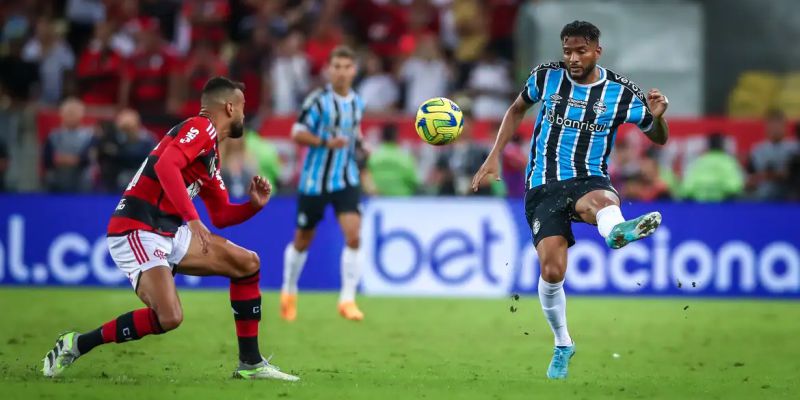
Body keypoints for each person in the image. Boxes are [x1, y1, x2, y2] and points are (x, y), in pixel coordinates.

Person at [41, 77, 299, 382]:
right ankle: (76, 343)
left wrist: (253, 206)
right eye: (242, 107)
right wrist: (192, 219)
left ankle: (251, 364)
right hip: (138, 227)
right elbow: (166, 167)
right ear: (230, 107)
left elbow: (221, 214)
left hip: (170, 231)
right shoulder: (201, 128)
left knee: (247, 263)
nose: (244, 114)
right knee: (170, 317)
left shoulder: (211, 155)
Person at [471, 21, 669, 380]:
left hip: (589, 177)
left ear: (597, 51)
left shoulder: (621, 92)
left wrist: (657, 119)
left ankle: (615, 231)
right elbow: (516, 108)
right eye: (567, 51)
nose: (573, 58)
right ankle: (563, 343)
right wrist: (493, 155)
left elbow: (658, 138)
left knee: (600, 201)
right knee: (552, 271)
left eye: (580, 51)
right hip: (543, 184)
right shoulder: (546, 77)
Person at [280, 46, 366, 322]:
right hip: (314, 181)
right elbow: (297, 133)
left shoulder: (357, 103)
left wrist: (363, 145)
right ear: (329, 70)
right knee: (303, 240)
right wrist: (325, 143)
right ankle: (289, 290)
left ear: (354, 70)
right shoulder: (317, 101)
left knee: (354, 235)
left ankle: (347, 299)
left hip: (345, 178)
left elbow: (354, 132)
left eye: (346, 66)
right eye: (336, 66)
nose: (341, 72)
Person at [42, 98, 96, 192]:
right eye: (69, 113)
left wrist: (63, 160)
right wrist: (71, 160)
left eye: (74, 113)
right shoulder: (53, 136)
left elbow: (87, 159)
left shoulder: (89, 136)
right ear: (61, 114)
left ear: (81, 114)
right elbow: (47, 160)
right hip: (56, 184)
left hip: (81, 185)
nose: (71, 116)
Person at [747, 110, 799, 201]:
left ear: (785, 127)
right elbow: (751, 175)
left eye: (778, 126)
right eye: (772, 126)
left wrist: (772, 175)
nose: (775, 129)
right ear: (766, 127)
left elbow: (790, 174)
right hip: (764, 194)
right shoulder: (758, 150)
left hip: (790, 193)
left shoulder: (795, 148)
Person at [681, 133, 744, 202]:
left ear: (708, 146)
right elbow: (736, 187)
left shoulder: (699, 161)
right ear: (723, 146)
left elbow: (686, 189)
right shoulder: (729, 161)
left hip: (699, 207)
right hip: (725, 208)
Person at [367, 124, 418, 196]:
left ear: (382, 137)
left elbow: (366, 178)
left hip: (377, 199)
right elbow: (413, 181)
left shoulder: (373, 157)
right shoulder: (405, 157)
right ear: (396, 137)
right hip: (402, 199)